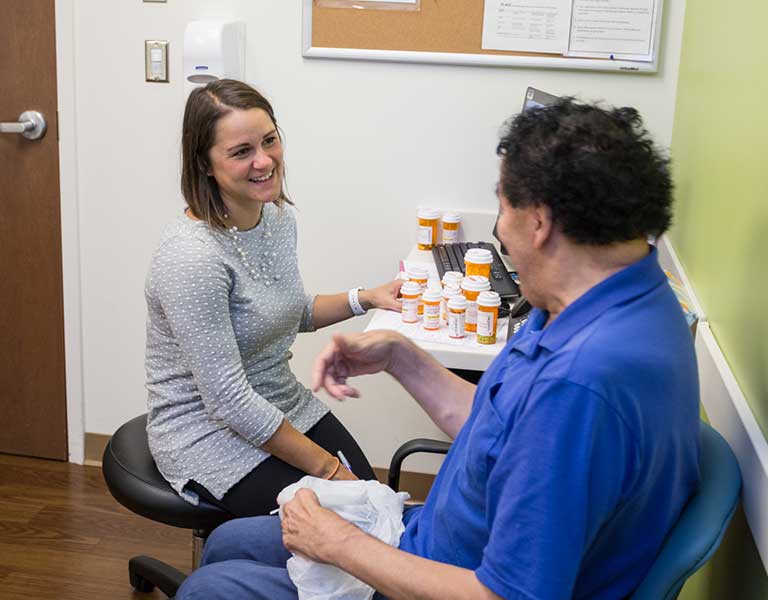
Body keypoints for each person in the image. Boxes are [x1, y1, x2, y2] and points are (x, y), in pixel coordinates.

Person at [175, 98, 701, 600]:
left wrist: (339, 544)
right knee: (228, 542)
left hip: (445, 578)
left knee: (206, 589)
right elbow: (501, 427)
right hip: (434, 540)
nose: (499, 231)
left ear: (539, 222)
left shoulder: (580, 386)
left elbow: (504, 595)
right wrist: (402, 356)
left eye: (502, 206)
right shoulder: (611, 301)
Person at [145, 79, 402, 517]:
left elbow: (286, 311)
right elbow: (228, 401)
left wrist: (367, 298)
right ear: (205, 164)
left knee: (375, 505)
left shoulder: (277, 218)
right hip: (206, 430)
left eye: (269, 141)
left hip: (277, 401)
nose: (264, 161)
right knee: (354, 516)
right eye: (241, 151)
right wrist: (328, 470)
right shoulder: (192, 258)